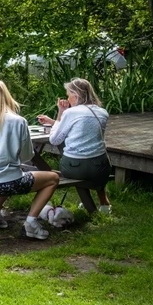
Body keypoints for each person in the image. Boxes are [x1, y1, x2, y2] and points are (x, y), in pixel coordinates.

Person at [0, 80, 59, 239]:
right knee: (53, 178)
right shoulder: (18, 121)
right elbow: (27, 156)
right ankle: (31, 223)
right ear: (7, 96)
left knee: (6, 173)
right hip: (9, 181)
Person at [37, 78, 112, 214]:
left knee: (76, 165)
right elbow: (80, 130)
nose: (67, 97)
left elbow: (54, 140)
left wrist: (61, 112)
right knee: (94, 158)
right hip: (101, 167)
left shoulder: (71, 113)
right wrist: (54, 121)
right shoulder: (102, 112)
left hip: (76, 168)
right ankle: (104, 204)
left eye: (68, 94)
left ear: (76, 95)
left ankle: (88, 204)